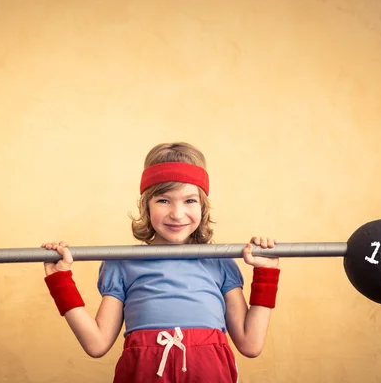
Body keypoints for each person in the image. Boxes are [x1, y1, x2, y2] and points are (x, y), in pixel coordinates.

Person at [42, 142, 280, 383]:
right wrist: (59, 280)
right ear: (146, 204)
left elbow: (251, 344)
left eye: (189, 201)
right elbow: (96, 344)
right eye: (163, 201)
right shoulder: (122, 264)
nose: (177, 214)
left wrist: (266, 274)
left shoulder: (219, 262)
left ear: (203, 206)